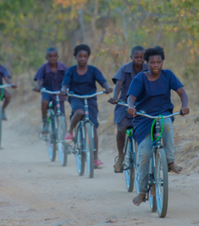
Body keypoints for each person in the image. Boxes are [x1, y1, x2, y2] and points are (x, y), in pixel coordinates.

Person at [126, 46, 189, 206]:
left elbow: (182, 93)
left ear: (162, 62)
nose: (155, 65)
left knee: (167, 126)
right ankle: (142, 191)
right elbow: (131, 97)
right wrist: (131, 106)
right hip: (144, 117)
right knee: (145, 153)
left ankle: (170, 161)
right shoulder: (140, 78)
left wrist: (184, 105)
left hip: (163, 114)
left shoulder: (168, 75)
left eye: (158, 62)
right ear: (147, 63)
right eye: (152, 62)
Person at [61, 44, 113, 168]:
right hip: (76, 97)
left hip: (90, 99)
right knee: (79, 113)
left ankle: (95, 158)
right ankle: (70, 132)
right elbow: (65, 84)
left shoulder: (93, 70)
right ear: (76, 57)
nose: (82, 59)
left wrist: (107, 87)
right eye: (80, 56)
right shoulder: (71, 71)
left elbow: (102, 80)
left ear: (88, 57)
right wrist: (63, 89)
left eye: (85, 56)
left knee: (93, 126)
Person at [108, 46, 148, 173]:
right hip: (125, 104)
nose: (139, 59)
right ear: (131, 57)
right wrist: (115, 97)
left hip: (143, 105)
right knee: (121, 129)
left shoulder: (148, 69)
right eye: (136, 57)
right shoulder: (124, 69)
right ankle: (121, 156)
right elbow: (118, 85)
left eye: (141, 57)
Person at [33, 47, 68, 134]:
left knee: (62, 115)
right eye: (50, 56)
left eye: (54, 56)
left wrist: (68, 87)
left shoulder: (62, 67)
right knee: (44, 102)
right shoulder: (44, 67)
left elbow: (69, 78)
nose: (52, 58)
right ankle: (45, 121)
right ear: (46, 58)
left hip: (60, 93)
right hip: (47, 91)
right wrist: (39, 87)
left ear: (57, 57)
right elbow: (38, 79)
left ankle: (64, 137)